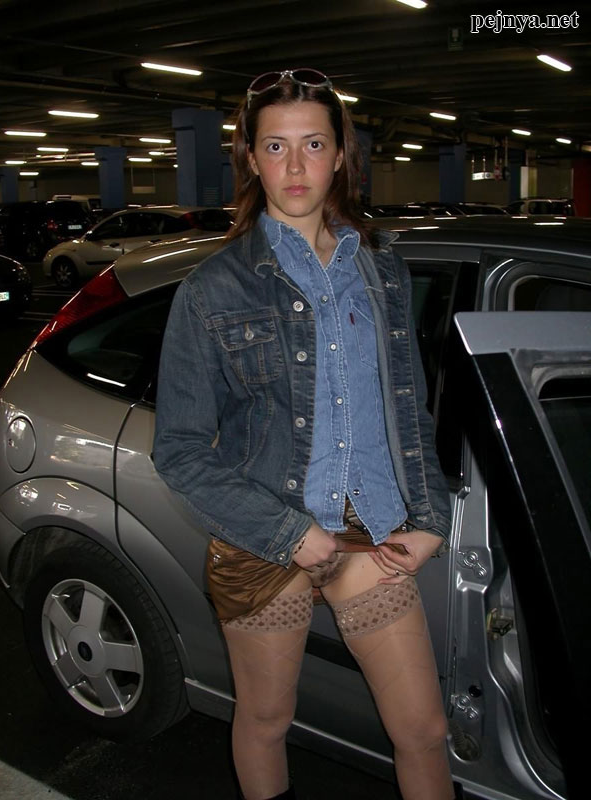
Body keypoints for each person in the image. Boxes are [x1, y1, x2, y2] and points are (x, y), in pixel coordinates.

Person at [153, 68, 454, 800]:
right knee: (265, 720)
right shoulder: (213, 289)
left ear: (340, 154)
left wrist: (430, 517)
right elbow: (180, 450)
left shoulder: (382, 271)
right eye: (275, 146)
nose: (295, 166)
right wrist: (288, 532)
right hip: (266, 540)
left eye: (313, 144)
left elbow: (406, 408)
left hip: (367, 535)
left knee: (424, 731)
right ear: (251, 159)